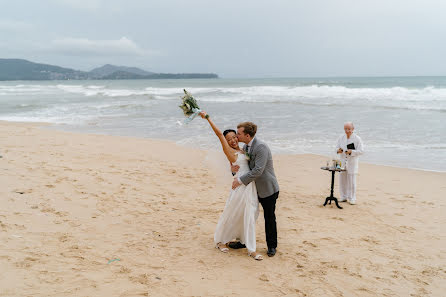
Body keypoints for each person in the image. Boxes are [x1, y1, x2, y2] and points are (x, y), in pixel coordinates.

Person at [199, 111, 263, 260]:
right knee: (232, 213)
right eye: (229, 139)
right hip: (239, 186)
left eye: (234, 137)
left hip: (249, 185)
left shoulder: (243, 149)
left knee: (250, 214)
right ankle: (223, 241)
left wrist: (233, 170)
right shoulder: (228, 150)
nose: (233, 140)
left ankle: (246, 243)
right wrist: (208, 118)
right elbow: (219, 135)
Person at [231, 122, 280, 257]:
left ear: (247, 135)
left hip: (267, 189)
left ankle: (272, 246)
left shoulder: (261, 147)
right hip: (252, 188)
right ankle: (242, 241)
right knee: (246, 214)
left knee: (269, 217)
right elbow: (244, 166)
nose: (236, 135)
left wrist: (240, 181)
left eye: (239, 133)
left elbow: (258, 170)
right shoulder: (246, 146)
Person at [336, 122, 364, 205]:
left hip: (352, 162)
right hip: (342, 162)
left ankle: (352, 198)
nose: (347, 131)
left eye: (349, 129)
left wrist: (351, 151)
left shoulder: (357, 139)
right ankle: (343, 196)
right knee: (342, 180)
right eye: (345, 129)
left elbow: (361, 151)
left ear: (353, 129)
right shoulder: (341, 138)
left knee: (351, 181)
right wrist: (338, 150)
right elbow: (336, 148)